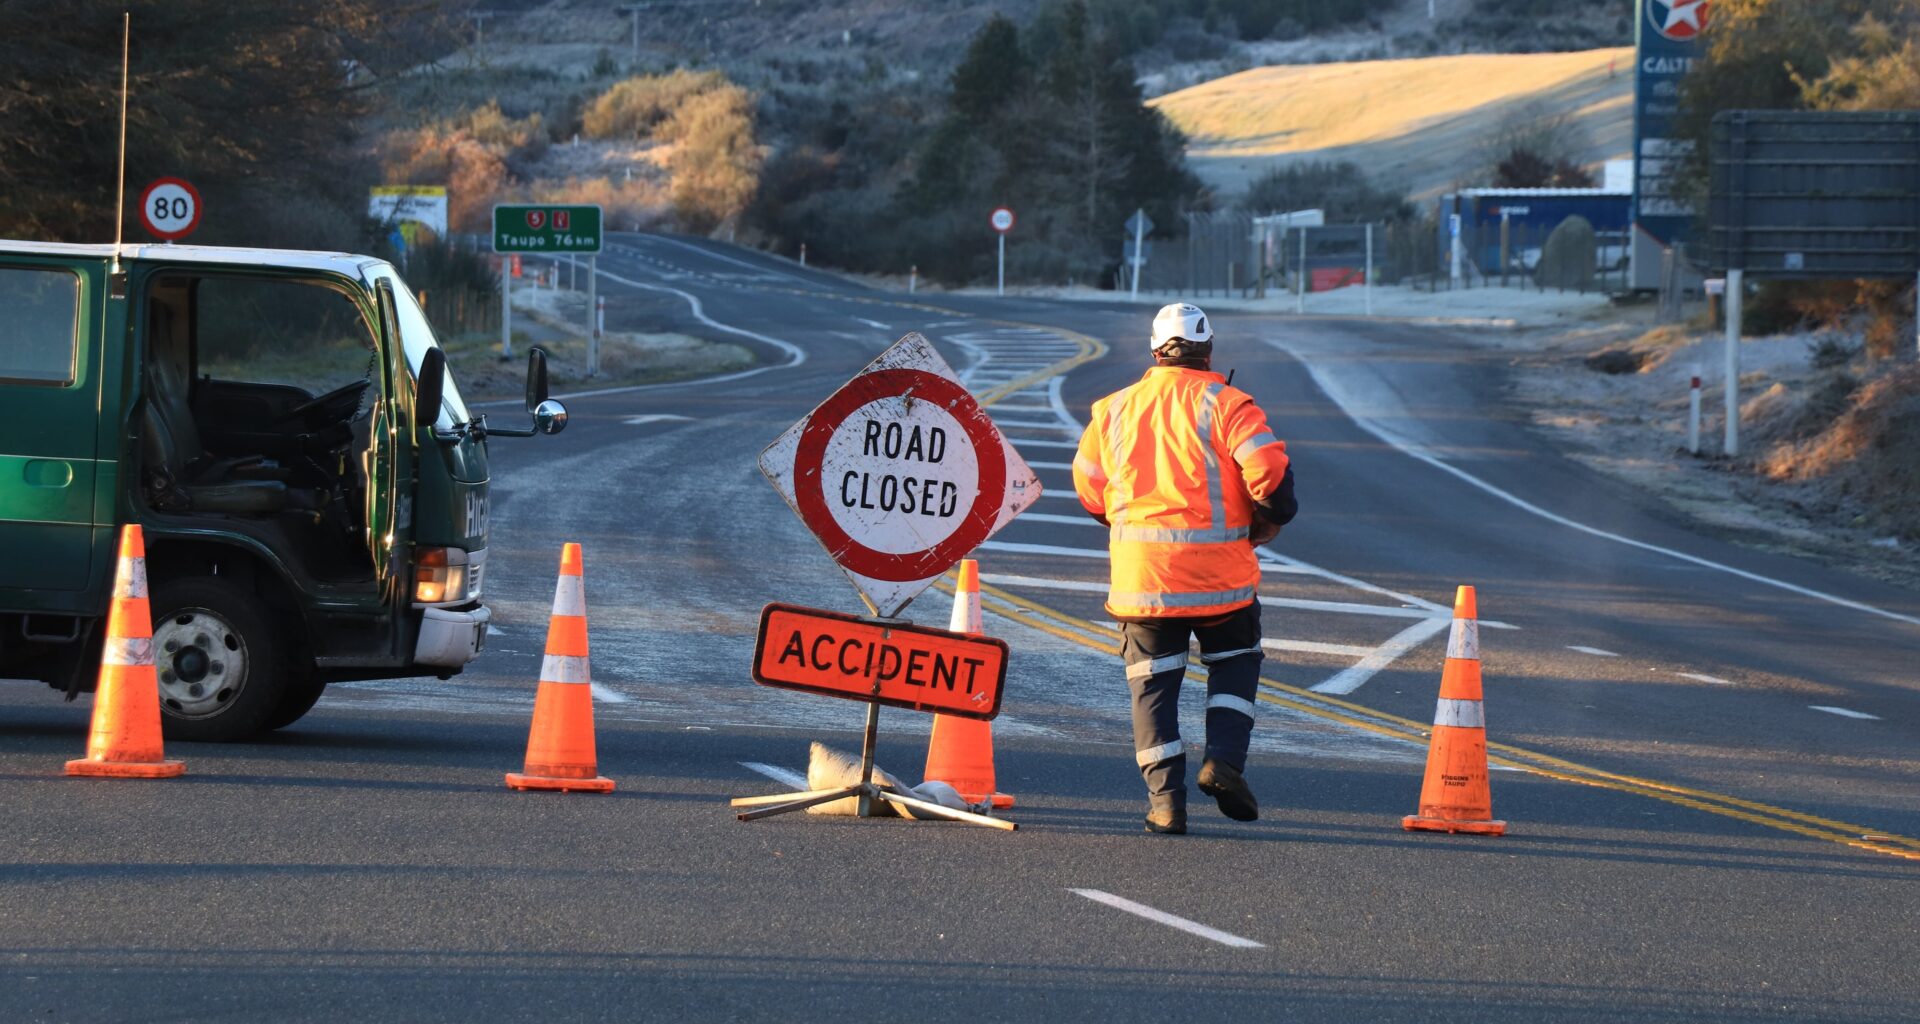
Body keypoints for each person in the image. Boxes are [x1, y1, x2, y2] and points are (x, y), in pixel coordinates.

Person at [1071, 302, 1297, 834]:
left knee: (1152, 686)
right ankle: (1224, 760)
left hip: (1144, 581)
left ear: (1155, 351)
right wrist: (1271, 517)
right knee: (1236, 659)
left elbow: (1088, 489)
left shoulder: (1113, 411)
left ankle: (1165, 804)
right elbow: (1268, 472)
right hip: (1222, 579)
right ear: (1208, 351)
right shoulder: (1230, 404)